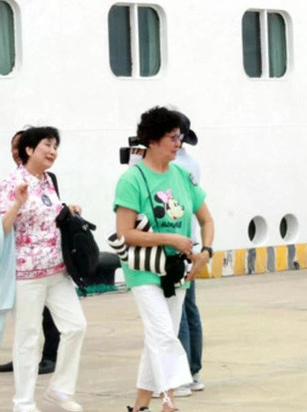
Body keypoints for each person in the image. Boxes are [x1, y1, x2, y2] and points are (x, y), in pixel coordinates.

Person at [114, 106, 215, 412]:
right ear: (153, 141)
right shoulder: (132, 179)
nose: (178, 144)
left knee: (160, 337)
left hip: (177, 270)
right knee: (162, 334)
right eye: (172, 138)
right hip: (143, 269)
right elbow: (124, 233)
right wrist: (170, 238)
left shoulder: (183, 177)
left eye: (179, 137)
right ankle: (169, 402)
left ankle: (139, 405)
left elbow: (207, 220)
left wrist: (205, 252)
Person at [0, 126, 87, 412]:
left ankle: (59, 391)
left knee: (76, 327)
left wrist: (66, 210)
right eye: (47, 145)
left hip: (57, 271)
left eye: (55, 146)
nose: (52, 151)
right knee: (28, 338)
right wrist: (18, 204)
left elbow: (47, 214)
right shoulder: (12, 183)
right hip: (27, 274)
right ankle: (23, 402)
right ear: (29, 150)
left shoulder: (48, 181)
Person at [0, 131, 60, 375]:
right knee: (26, 322)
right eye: (13, 147)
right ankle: (25, 359)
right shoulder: (12, 182)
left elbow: (51, 210)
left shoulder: (48, 178)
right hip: (24, 263)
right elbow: (3, 223)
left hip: (50, 262)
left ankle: (50, 356)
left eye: (19, 146)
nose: (16, 151)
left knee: (53, 316)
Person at [172, 111, 205, 396]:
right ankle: (194, 371)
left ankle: (181, 374)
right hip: (191, 241)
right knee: (190, 309)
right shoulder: (192, 162)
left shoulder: (175, 166)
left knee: (178, 310)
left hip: (178, 245)